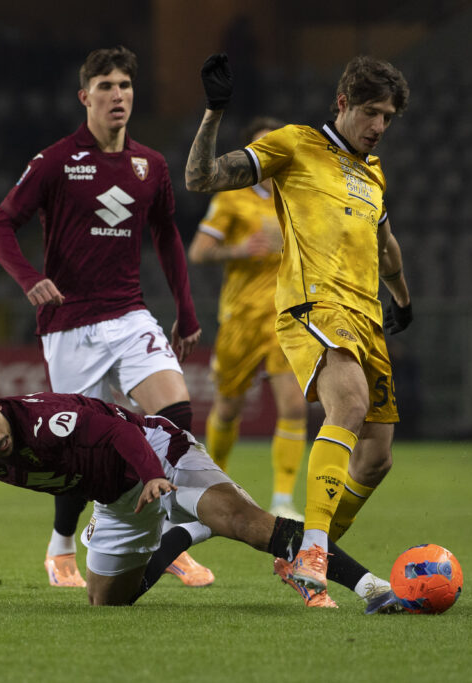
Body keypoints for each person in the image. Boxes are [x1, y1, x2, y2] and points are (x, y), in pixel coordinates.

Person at [185, 54, 413, 602]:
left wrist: (403, 298)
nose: (379, 126)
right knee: (349, 406)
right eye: (371, 113)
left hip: (366, 315)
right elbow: (201, 177)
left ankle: (309, 551)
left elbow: (384, 244)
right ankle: (311, 546)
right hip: (314, 307)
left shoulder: (373, 172)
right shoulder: (294, 144)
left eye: (388, 117)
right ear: (343, 104)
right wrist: (215, 112)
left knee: (377, 456)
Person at [0, 46, 211, 590]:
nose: (118, 95)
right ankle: (62, 545)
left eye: (126, 86)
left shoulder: (150, 165)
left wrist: (184, 309)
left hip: (130, 313)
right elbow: (0, 224)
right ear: (85, 97)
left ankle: (158, 534)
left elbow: (166, 238)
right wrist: (28, 278)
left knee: (175, 416)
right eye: (106, 86)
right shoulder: (56, 161)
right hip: (70, 325)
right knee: (78, 446)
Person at [0, 384, 403, 612]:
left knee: (248, 524)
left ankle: (370, 586)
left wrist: (154, 476)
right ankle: (184, 533)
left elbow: (120, 433)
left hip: (158, 452)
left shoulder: (46, 420)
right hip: (115, 497)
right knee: (107, 602)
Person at [187, 115, 306, 521]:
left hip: (286, 318)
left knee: (294, 406)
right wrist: (242, 248)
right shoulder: (231, 198)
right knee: (228, 408)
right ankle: (214, 483)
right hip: (240, 320)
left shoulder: (298, 197)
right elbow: (198, 252)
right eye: (260, 146)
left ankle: (283, 500)